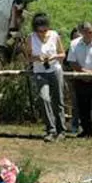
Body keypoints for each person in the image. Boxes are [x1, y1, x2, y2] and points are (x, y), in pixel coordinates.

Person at [27, 13, 67, 142]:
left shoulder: (55, 35)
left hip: (55, 70)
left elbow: (62, 54)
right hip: (40, 71)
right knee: (44, 98)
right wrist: (36, 58)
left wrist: (54, 57)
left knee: (58, 99)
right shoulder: (31, 38)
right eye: (40, 31)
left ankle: (62, 130)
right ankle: (51, 129)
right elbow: (27, 57)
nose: (43, 33)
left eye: (45, 30)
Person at [63, 27, 82, 135]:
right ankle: (74, 125)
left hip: (88, 79)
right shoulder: (68, 50)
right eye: (75, 38)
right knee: (74, 104)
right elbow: (65, 65)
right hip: (72, 81)